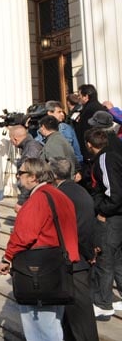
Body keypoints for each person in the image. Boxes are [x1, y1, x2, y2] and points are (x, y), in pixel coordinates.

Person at [0, 158, 79, 341]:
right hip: (58, 266)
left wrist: (7, 258)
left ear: (33, 177)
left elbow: (23, 235)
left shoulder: (38, 199)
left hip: (39, 270)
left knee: (40, 328)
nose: (19, 177)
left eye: (21, 173)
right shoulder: (59, 195)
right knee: (53, 324)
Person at [50, 157, 99, 340]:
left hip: (74, 259)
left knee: (80, 314)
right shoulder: (81, 192)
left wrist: (87, 253)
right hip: (81, 255)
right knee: (74, 313)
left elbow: (75, 229)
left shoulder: (61, 195)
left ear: (54, 174)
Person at [84, 128, 122, 319]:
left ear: (89, 145)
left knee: (104, 258)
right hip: (118, 216)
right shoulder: (114, 155)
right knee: (118, 259)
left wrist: (103, 211)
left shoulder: (104, 159)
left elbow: (113, 191)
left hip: (111, 216)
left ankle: (102, 303)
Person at [9, 125, 43, 210]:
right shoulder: (30, 146)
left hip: (34, 194)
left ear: (15, 139)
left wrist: (22, 201)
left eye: (11, 140)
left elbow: (29, 177)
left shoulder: (31, 148)